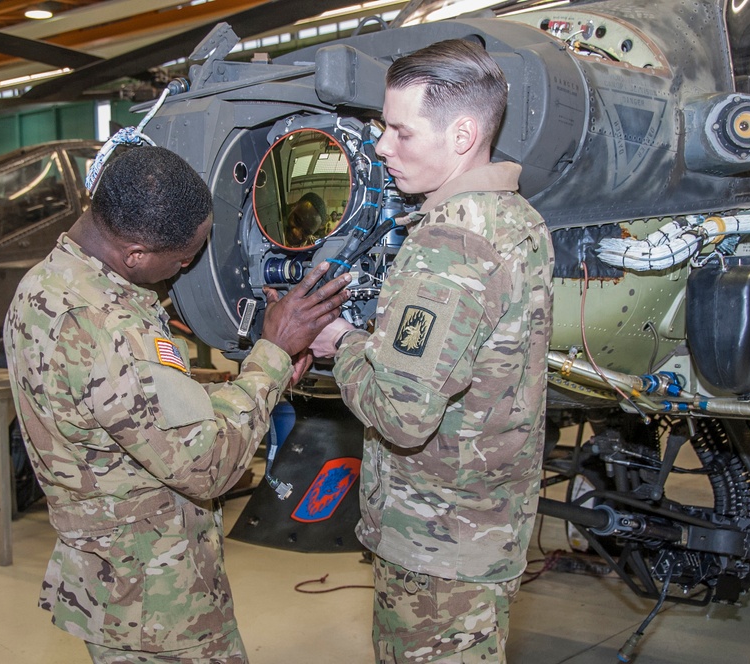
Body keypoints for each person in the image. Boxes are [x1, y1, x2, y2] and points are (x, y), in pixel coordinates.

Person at [3, 145, 351, 664]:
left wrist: (260, 378)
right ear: (137, 254)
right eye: (184, 256)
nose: (187, 265)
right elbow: (206, 466)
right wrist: (272, 355)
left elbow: (136, 414)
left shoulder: (50, 285)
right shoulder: (109, 327)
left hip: (117, 579)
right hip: (157, 604)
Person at [311, 38, 554, 663]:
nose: (382, 146)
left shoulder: (452, 243)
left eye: (401, 131)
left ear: (463, 134)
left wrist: (343, 344)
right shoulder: (517, 218)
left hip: (437, 543)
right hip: (485, 525)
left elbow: (401, 413)